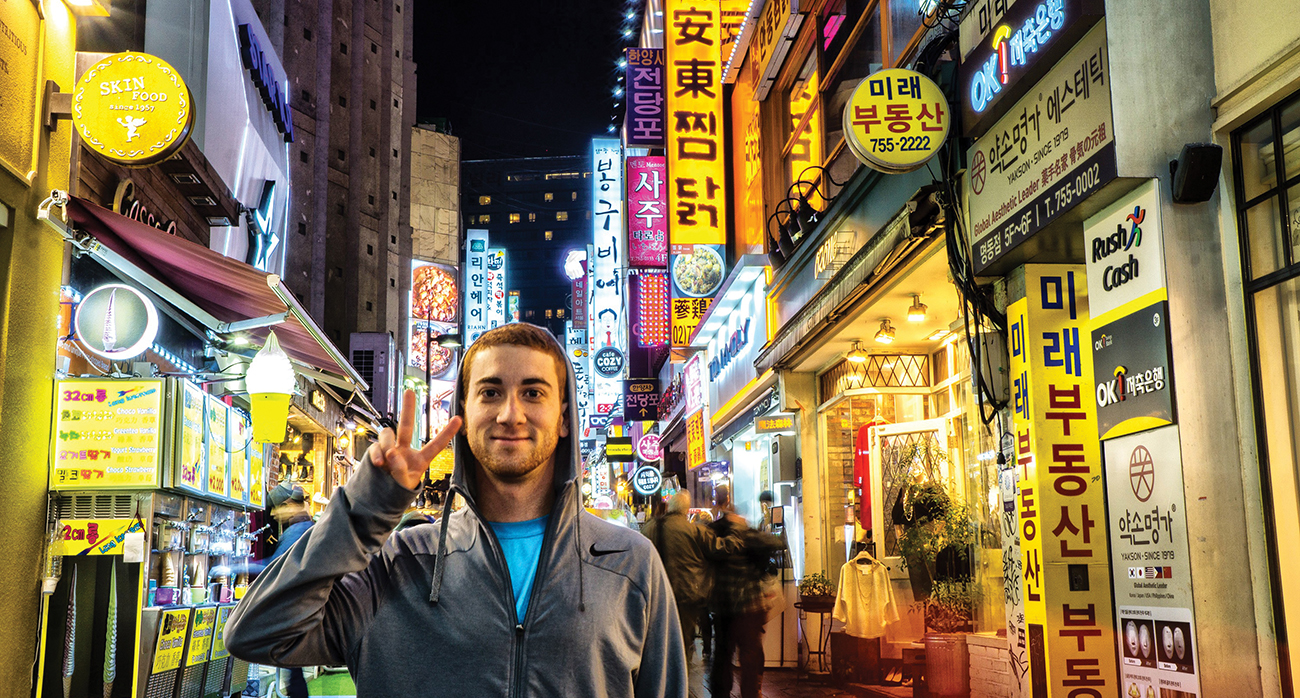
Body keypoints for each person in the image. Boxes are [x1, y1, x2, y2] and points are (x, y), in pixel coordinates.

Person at [225, 323, 686, 696]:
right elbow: (256, 634)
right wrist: (365, 512)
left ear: (564, 417)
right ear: (461, 416)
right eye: (489, 392)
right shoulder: (397, 564)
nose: (510, 414)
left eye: (533, 392)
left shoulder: (628, 564)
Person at [640, 491, 737, 661]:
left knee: (656, 641)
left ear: (670, 507)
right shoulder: (693, 530)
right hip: (686, 594)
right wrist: (738, 528)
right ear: (686, 510)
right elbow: (723, 548)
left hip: (654, 594)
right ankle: (680, 680)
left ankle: (659, 679)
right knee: (682, 641)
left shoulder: (648, 528)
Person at [708, 485, 784, 698]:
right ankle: (750, 694)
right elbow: (777, 542)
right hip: (749, 607)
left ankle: (719, 694)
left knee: (722, 654)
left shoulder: (714, 533)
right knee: (749, 655)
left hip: (723, 606)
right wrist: (743, 527)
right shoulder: (748, 535)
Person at [265, 483, 312, 698]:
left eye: (276, 508)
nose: (273, 514)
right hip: (302, 607)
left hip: (294, 609)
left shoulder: (296, 532)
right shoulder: (304, 527)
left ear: (288, 505)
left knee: (292, 668)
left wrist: (236, 566)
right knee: (293, 668)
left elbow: (274, 567)